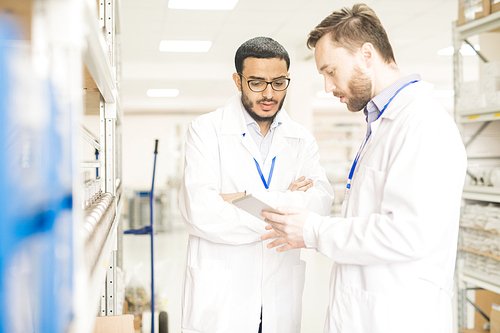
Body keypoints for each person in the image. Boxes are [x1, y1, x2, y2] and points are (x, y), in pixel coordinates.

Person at [261, 4, 467, 333]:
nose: (328, 87)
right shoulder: (382, 123)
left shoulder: (423, 124)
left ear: (367, 55)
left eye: (331, 71)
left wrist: (314, 230)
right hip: (368, 312)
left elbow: (408, 233)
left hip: (401, 318)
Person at [179, 36, 334, 333]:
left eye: (278, 82)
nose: (268, 93)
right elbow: (200, 211)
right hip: (222, 300)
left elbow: (321, 204)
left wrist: (241, 199)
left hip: (278, 296)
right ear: (238, 81)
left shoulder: (300, 139)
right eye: (257, 82)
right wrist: (286, 207)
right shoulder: (206, 131)